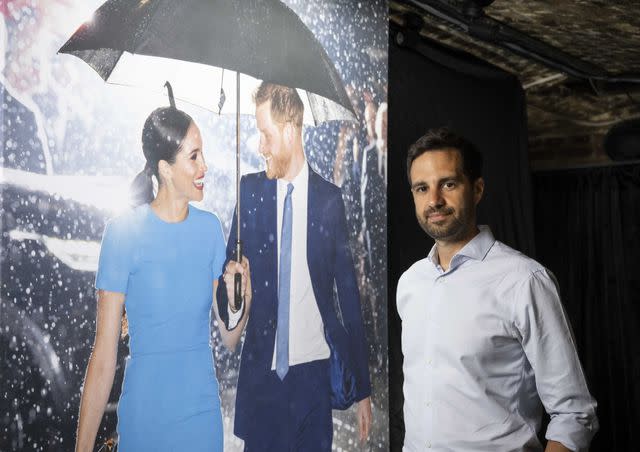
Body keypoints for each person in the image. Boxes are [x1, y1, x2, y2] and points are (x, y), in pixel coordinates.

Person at [396, 127, 598, 451]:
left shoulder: (525, 281)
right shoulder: (410, 283)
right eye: (422, 188)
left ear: (476, 189)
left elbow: (574, 414)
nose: (434, 200)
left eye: (448, 183)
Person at [75, 106, 250, 452]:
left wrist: (239, 298)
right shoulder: (121, 235)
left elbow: (230, 337)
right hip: (145, 418)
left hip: (201, 417)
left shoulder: (210, 229)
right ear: (166, 170)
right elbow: (104, 355)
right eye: (194, 157)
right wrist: (81, 449)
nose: (205, 167)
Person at [217, 82, 372, 451]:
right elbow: (228, 294)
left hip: (314, 382)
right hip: (262, 381)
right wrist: (235, 293)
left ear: (290, 131)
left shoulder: (329, 201)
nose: (260, 146)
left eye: (266, 135)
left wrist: (363, 388)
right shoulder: (249, 192)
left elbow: (349, 298)